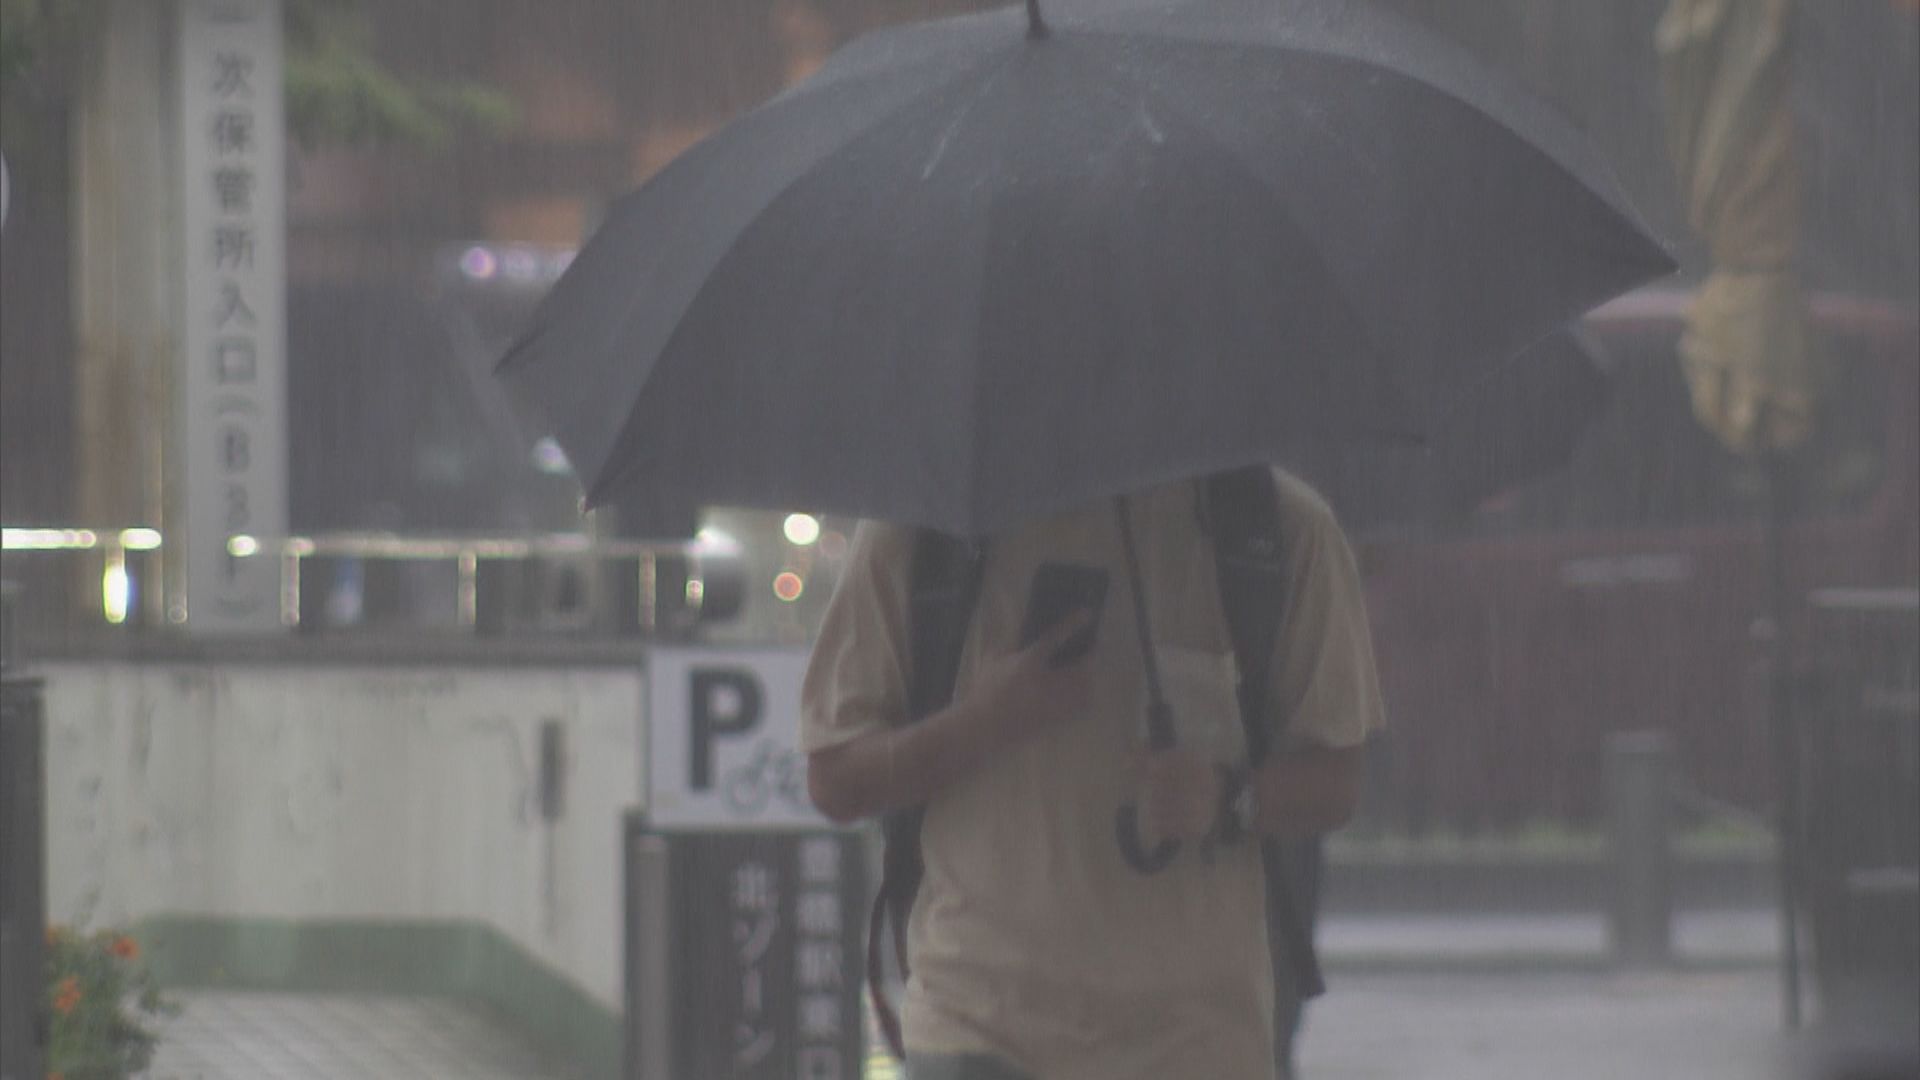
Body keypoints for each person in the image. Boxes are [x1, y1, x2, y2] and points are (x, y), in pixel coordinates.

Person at [802, 468, 1384, 1080]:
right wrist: (986, 720)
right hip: (981, 1028)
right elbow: (837, 779)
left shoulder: (1276, 531)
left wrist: (1226, 796)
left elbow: (1336, 781)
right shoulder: (929, 531)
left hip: (1195, 1044)